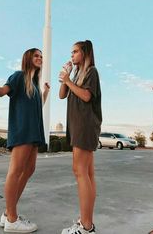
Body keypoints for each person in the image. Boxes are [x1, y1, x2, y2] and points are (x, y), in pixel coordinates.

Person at [0, 48, 50, 233]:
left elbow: (34, 107)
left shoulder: (33, 84)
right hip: (22, 131)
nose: (40, 58)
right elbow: (2, 92)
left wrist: (44, 94)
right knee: (16, 171)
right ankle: (12, 219)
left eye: (41, 56)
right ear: (28, 58)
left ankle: (7, 213)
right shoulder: (19, 76)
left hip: (34, 133)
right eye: (36, 55)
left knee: (29, 169)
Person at [59, 40, 102, 234]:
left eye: (75, 52)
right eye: (71, 53)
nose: (72, 55)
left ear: (85, 53)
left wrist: (69, 81)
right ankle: (87, 221)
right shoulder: (76, 74)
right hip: (78, 126)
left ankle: (86, 226)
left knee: (80, 172)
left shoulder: (91, 71)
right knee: (87, 174)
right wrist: (65, 78)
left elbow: (86, 96)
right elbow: (62, 95)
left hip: (85, 126)